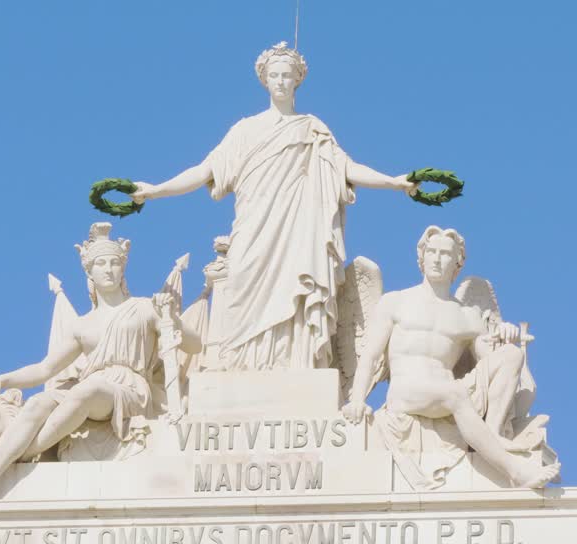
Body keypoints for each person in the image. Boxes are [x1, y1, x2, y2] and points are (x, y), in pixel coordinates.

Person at [130, 42, 415, 370]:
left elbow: (347, 168)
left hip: (297, 229)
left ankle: (294, 362)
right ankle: (242, 366)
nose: (280, 81)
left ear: (297, 80)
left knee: (294, 287)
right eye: (274, 75)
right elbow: (204, 170)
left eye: (287, 75)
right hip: (253, 226)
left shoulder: (311, 128)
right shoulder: (244, 130)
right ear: (264, 80)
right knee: (241, 285)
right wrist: (155, 191)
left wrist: (394, 181)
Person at [0, 224, 201, 499]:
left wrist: (171, 317)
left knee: (87, 390)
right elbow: (45, 369)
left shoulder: (144, 307)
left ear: (123, 268)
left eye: (114, 263)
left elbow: (194, 345)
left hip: (128, 389)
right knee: (37, 403)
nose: (108, 269)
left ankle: (24, 452)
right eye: (100, 263)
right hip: (92, 386)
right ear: (89, 272)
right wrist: (3, 379)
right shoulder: (82, 325)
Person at [341, 227, 555, 489]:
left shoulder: (468, 316)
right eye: (431, 252)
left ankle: (493, 432)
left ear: (457, 263)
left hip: (449, 392)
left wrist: (504, 335)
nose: (436, 259)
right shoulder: (395, 302)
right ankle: (515, 471)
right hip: (406, 391)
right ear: (421, 257)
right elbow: (371, 356)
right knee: (455, 393)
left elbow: (489, 359)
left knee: (511, 356)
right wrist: (357, 400)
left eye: (445, 254)